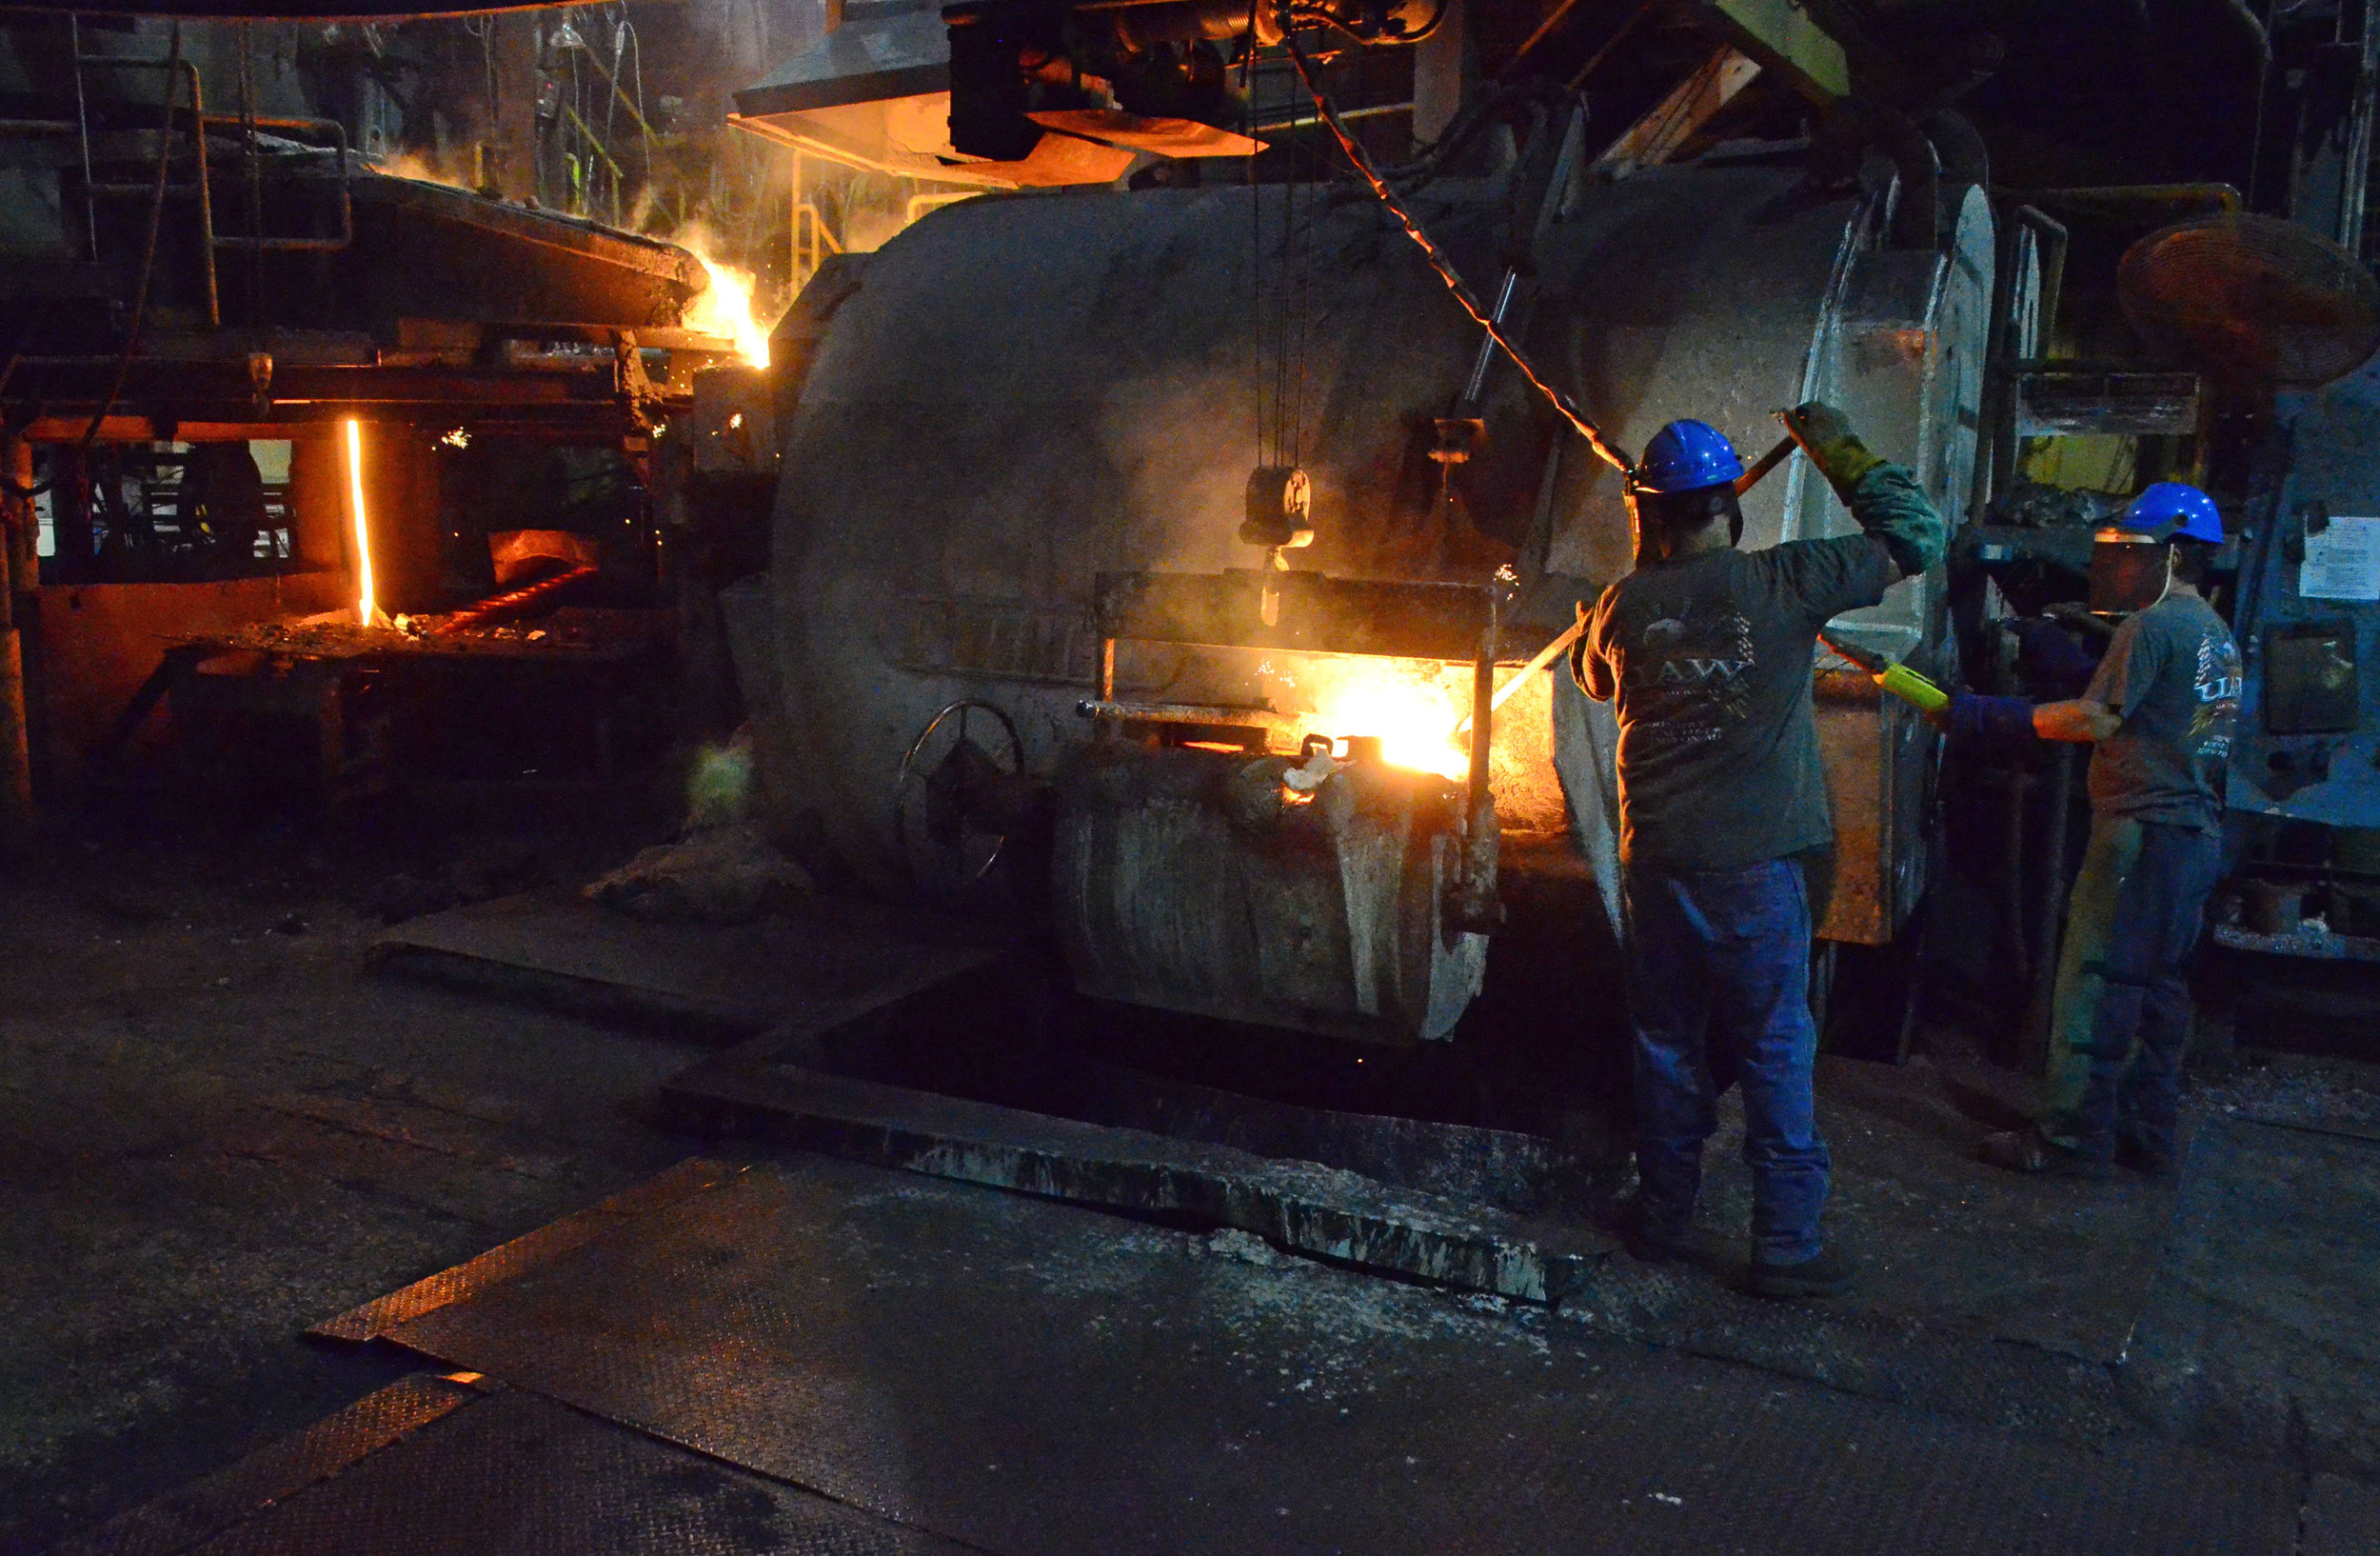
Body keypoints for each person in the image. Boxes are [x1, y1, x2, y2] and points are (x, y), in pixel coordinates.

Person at [1572, 405, 1945, 1298]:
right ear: (1729, 506)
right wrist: (1834, 442)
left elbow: (1591, 676)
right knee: (1774, 1042)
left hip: (1658, 864)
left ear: (1648, 514)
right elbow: (1916, 534)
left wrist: (1634, 596)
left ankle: (1665, 1218)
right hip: (1758, 864)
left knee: (1666, 1041)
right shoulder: (1788, 581)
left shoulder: (1625, 606)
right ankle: (1783, 1247)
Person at [1947, 484, 2241, 1178]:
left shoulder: (2152, 626)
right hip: (2194, 839)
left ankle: (2070, 1140)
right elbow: (2158, 714)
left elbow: (2098, 719)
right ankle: (2147, 1132)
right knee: (2157, 990)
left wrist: (1995, 717)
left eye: (2134, 553)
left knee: (2098, 982)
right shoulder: (2215, 636)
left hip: (2140, 834)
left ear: (2172, 554)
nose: (2119, 567)